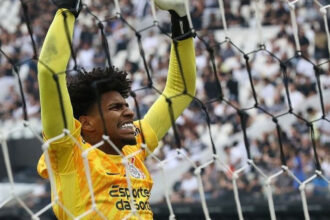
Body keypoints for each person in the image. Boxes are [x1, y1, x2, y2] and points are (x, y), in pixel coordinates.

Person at [36, 0, 196, 219]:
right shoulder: (70, 153)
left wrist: (180, 18)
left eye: (126, 105)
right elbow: (49, 72)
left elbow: (180, 92)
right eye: (116, 107)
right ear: (87, 122)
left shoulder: (133, 147)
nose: (129, 113)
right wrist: (68, 10)